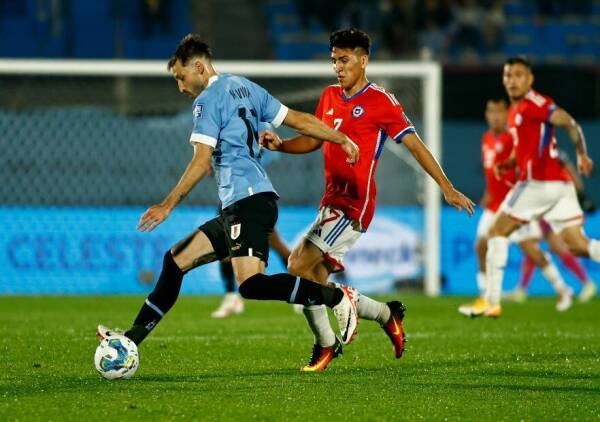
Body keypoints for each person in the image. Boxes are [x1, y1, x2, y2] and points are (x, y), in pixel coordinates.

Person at [97, 34, 366, 353]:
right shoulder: (246, 87)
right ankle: (131, 339)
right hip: (243, 204)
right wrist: (341, 138)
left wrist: (167, 205)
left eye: (181, 78)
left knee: (251, 285)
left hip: (248, 203)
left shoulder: (206, 102)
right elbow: (299, 120)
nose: (181, 87)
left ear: (198, 67)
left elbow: (200, 161)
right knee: (175, 261)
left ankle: (336, 297)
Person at [260, 28, 475, 371]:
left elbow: (416, 146)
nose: (338, 68)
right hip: (330, 198)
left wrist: (446, 187)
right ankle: (387, 314)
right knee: (314, 279)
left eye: (344, 60)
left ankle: (326, 343)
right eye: (334, 61)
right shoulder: (329, 96)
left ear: (364, 60)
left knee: (297, 265)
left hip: (353, 203)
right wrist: (282, 145)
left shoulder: (382, 102)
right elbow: (314, 140)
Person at [461, 56, 600, 318]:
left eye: (518, 75)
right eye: (508, 75)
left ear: (530, 79)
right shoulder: (515, 112)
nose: (512, 80)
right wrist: (510, 162)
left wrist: (581, 154)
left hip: (539, 184)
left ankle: (490, 301)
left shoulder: (535, 103)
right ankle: (499, 299)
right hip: (560, 187)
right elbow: (526, 147)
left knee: (495, 233)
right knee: (577, 245)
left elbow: (569, 123)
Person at [459, 98, 574, 315]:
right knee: (481, 247)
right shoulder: (486, 139)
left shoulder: (514, 137)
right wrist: (488, 194)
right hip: (495, 206)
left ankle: (563, 289)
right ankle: (485, 296)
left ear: (506, 114)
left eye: (499, 111)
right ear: (486, 114)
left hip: (515, 206)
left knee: (531, 251)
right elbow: (492, 174)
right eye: (490, 111)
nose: (494, 116)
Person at [212, 228, 290, 319]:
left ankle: (303, 288)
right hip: (234, 215)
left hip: (258, 215)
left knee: (278, 246)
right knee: (226, 245)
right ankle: (231, 297)